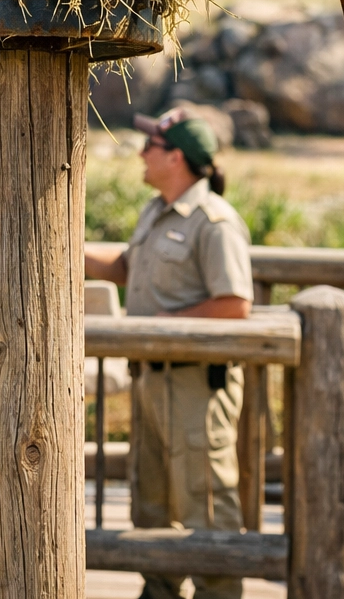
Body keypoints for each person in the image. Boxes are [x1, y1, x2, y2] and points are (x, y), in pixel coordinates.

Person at [84, 109, 253, 599]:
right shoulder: (156, 210)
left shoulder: (215, 222)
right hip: (152, 380)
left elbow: (234, 305)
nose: (141, 153)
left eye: (150, 146)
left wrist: (158, 329)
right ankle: (159, 592)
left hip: (196, 383)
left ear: (175, 156)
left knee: (205, 500)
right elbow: (127, 267)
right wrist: (62, 245)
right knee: (151, 500)